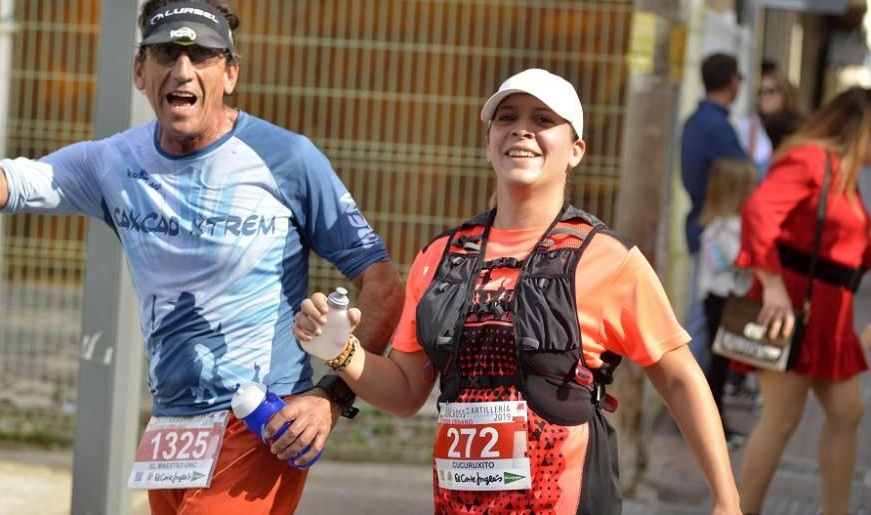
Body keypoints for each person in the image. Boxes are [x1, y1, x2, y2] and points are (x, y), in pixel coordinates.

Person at [0, 0, 405, 515]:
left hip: (259, 419)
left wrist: (329, 398)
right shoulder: (113, 162)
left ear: (231, 73)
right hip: (171, 427)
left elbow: (382, 284)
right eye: (167, 53)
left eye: (201, 55)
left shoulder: (286, 157)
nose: (183, 69)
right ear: (139, 71)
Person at [292, 68, 741, 514]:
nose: (521, 129)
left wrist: (727, 499)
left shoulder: (606, 258)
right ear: (490, 142)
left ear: (576, 151)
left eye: (543, 120)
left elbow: (681, 378)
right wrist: (342, 352)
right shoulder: (439, 257)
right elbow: (408, 392)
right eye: (506, 118)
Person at [735, 87, 871, 515]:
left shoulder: (846, 175)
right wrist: (772, 286)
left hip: (832, 317)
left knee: (847, 412)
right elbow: (759, 212)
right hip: (793, 309)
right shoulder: (812, 159)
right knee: (782, 419)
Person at [681, 53, 751, 366]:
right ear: (733, 81)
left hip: (701, 224)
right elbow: (742, 175)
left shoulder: (696, 122)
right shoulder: (718, 127)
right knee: (705, 321)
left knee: (700, 314)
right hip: (718, 229)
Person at [695, 158, 756, 439]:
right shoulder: (724, 228)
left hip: (725, 298)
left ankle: (715, 423)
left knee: (721, 363)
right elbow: (738, 261)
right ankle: (713, 424)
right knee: (718, 365)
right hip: (721, 299)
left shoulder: (724, 225)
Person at [733, 58, 803, 177]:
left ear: (786, 93)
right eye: (760, 92)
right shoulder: (747, 127)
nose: (764, 97)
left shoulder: (798, 128)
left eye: (771, 91)